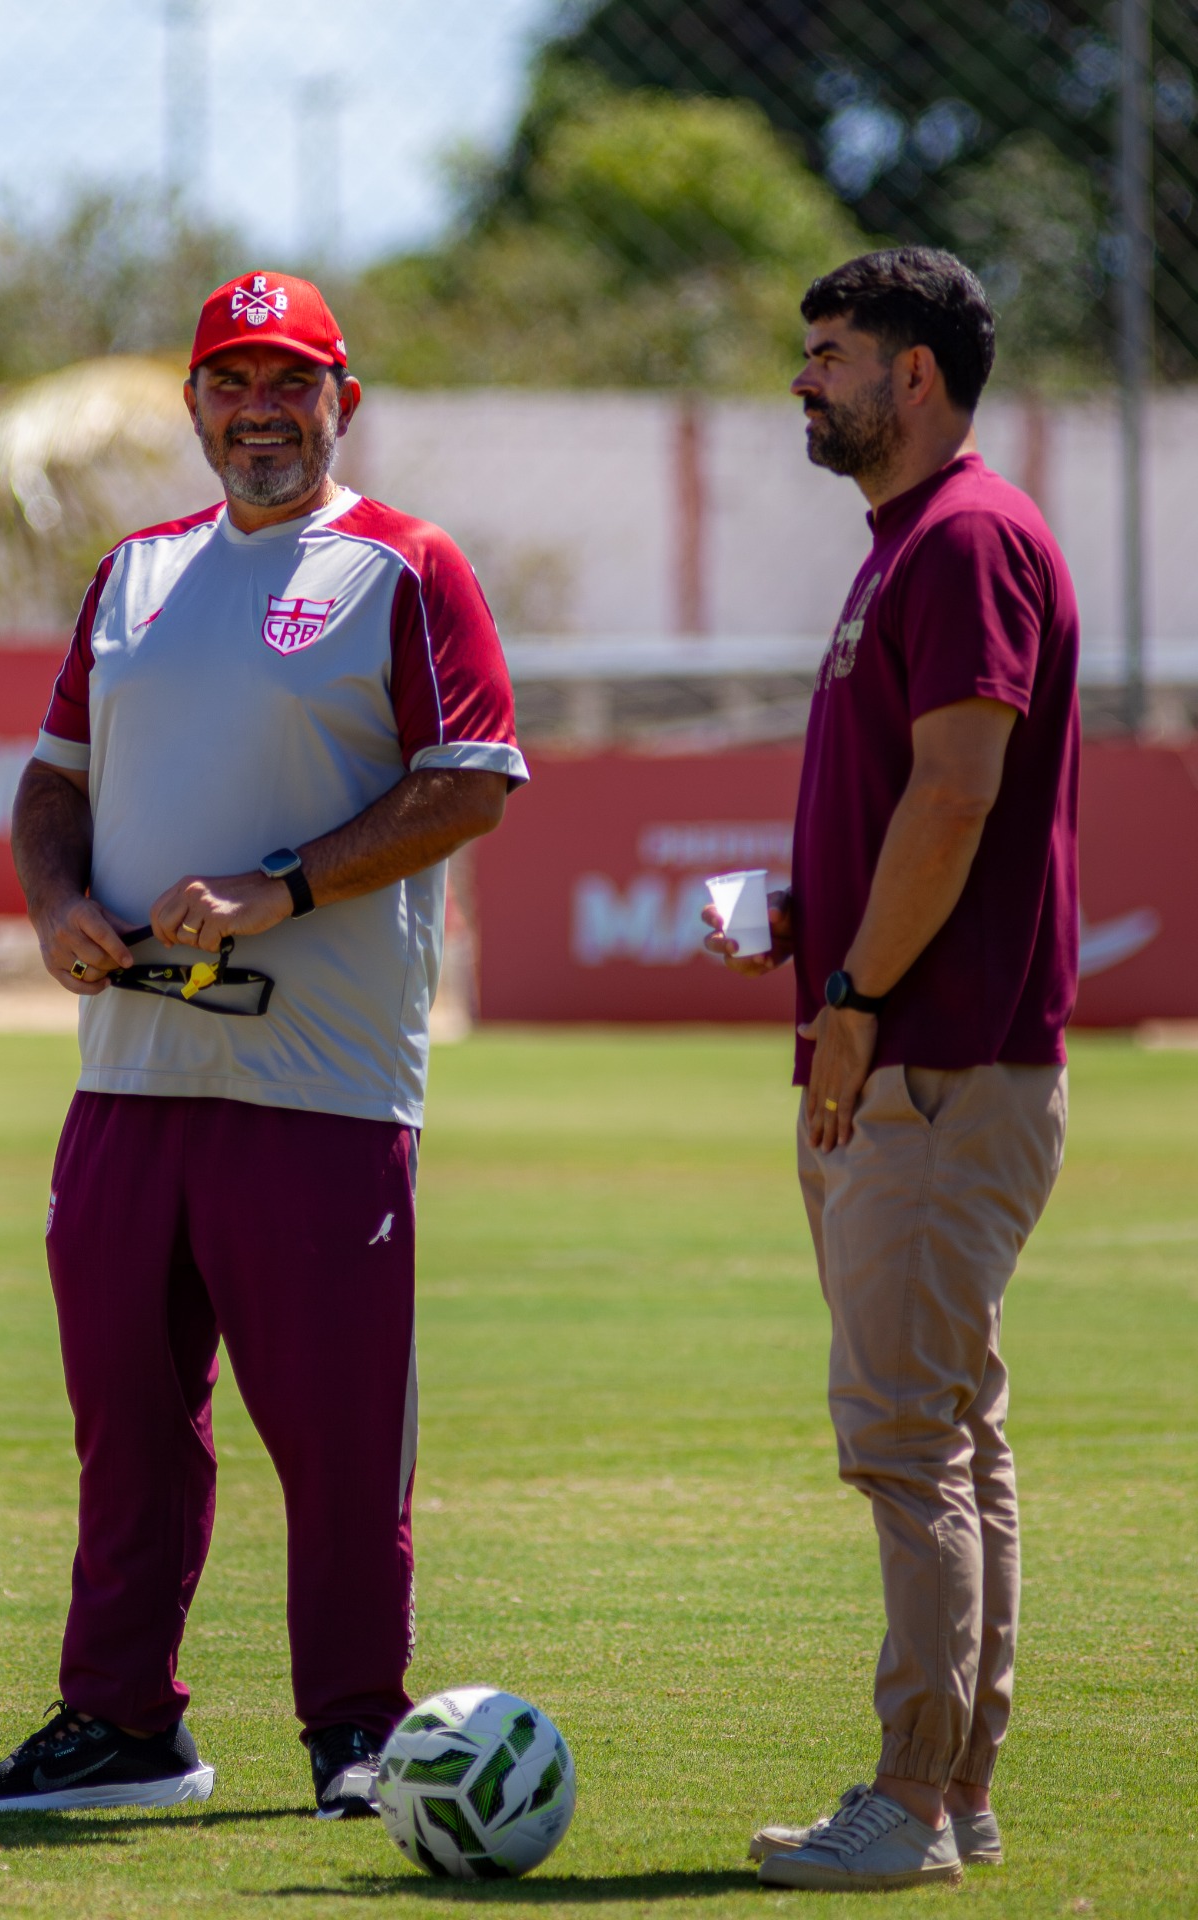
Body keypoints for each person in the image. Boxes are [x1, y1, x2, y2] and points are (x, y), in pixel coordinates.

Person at [0, 271, 526, 1816]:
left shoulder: (407, 566)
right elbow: (52, 781)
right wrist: (57, 898)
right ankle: (122, 1724)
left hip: (317, 1085)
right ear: (193, 403)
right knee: (127, 1434)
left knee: (334, 1448)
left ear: (346, 399)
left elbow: (471, 781)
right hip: (127, 1081)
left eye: (291, 383)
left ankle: (355, 1734)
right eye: (231, 383)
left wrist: (288, 885)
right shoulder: (132, 574)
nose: (260, 411)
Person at [704, 249, 1076, 1892]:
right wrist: (802, 918)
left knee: (908, 1442)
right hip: (923, 1051)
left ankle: (912, 1804)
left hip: (933, 1064)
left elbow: (959, 794)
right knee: (954, 1433)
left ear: (913, 375)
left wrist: (851, 997)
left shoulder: (969, 537)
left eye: (832, 352)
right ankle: (960, 1790)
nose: (806, 379)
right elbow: (921, 811)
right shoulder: (913, 544)